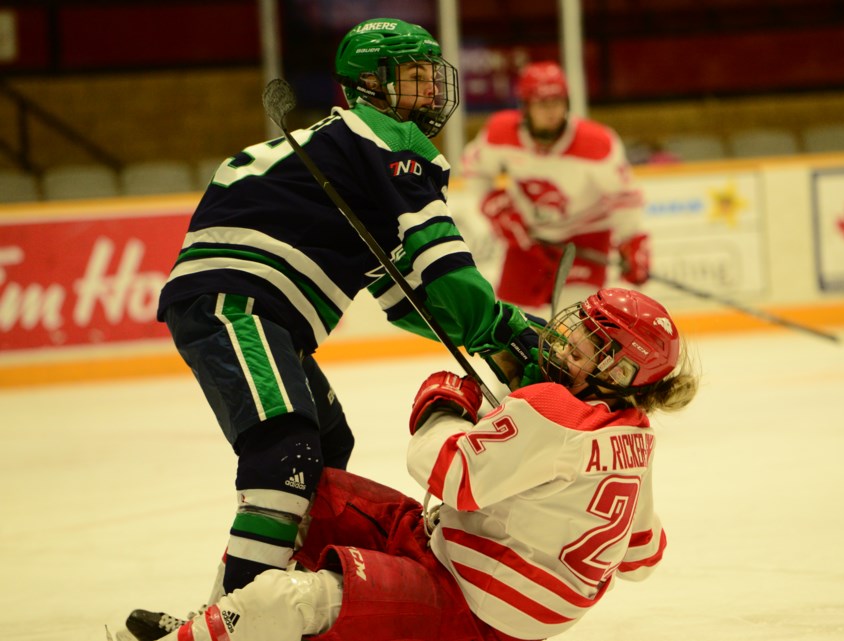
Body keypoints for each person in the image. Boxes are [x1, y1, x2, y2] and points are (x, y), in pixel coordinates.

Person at [133, 17, 543, 633]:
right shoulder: (387, 145)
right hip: (240, 305)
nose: (430, 91)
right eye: (412, 76)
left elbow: (408, 297)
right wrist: (503, 329)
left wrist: (484, 334)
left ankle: (226, 613)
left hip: (248, 307)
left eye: (432, 75)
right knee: (287, 452)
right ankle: (236, 626)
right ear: (368, 87)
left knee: (325, 451)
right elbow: (447, 275)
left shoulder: (342, 155)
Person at [117, 287, 698, 641]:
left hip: (471, 610)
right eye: (577, 330)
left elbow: (449, 473)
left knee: (289, 600)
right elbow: (643, 556)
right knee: (318, 495)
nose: (564, 342)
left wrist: (449, 398)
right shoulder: (633, 435)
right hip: (460, 560)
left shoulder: (552, 413)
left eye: (582, 346)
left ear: (618, 373)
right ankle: (215, 621)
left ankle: (209, 631)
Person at [460, 61, 651, 314]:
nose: (552, 111)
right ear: (525, 106)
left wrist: (632, 241)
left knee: (575, 323)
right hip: (529, 240)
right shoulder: (500, 132)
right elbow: (474, 169)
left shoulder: (597, 143)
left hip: (586, 238)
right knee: (510, 323)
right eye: (542, 103)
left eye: (558, 101)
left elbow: (623, 198)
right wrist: (494, 203)